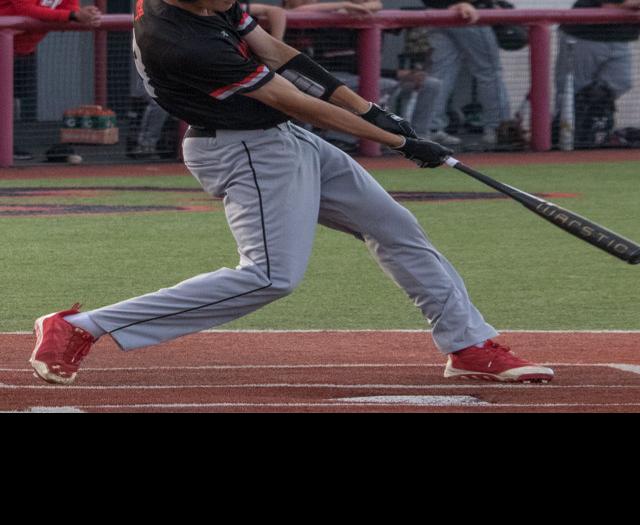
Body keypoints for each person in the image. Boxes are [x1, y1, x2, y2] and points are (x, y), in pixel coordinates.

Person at [28, 0, 554, 386]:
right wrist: (399, 141)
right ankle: (81, 326)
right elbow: (294, 100)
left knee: (395, 228)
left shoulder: (209, 6)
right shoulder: (178, 40)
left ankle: (466, 344)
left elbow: (279, 52)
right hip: (245, 150)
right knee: (271, 276)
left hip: (278, 137)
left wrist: (372, 112)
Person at [282, 0, 455, 146]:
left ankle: (420, 139)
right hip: (328, 77)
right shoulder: (324, 19)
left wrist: (362, 8)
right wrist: (344, 6)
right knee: (383, 85)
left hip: (366, 77)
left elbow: (384, 6)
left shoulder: (358, 15)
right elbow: (299, 10)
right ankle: (344, 139)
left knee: (431, 84)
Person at [127, 1, 287, 159]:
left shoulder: (224, 8)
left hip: (236, 105)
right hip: (188, 87)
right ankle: (146, 144)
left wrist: (271, 48)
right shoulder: (166, 23)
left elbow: (276, 12)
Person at [0, 0, 102, 160]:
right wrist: (73, 15)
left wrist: (85, 15)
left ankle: (5, 145)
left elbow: (70, 7)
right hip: (4, 41)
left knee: (10, 99)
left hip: (22, 48)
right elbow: (25, 9)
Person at [420, 1, 509, 146]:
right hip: (468, 14)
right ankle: (498, 129)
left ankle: (431, 128)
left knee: (441, 74)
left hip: (437, 13)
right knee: (489, 73)